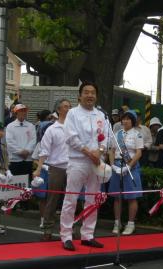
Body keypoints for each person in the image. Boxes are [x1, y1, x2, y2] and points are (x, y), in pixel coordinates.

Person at [60, 82, 108, 251]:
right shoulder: (72, 114)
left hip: (95, 162)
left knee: (92, 199)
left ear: (96, 96)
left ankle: (88, 235)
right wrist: (89, 152)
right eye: (86, 92)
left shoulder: (101, 115)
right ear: (79, 96)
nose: (90, 95)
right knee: (71, 199)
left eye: (93, 92)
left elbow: (105, 139)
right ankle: (66, 235)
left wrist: (100, 152)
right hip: (78, 161)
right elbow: (71, 138)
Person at [33, 98, 71, 241]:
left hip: (72, 168)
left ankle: (69, 229)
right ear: (59, 110)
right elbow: (44, 151)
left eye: (69, 106)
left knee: (71, 200)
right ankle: (48, 229)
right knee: (52, 199)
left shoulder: (74, 127)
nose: (68, 109)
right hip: (56, 168)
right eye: (65, 106)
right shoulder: (51, 129)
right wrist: (38, 169)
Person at [109, 110, 143, 235]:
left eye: (128, 119)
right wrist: (113, 166)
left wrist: (128, 166)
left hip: (131, 166)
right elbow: (112, 151)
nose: (125, 121)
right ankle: (117, 222)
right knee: (117, 197)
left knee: (131, 197)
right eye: (124, 119)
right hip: (117, 166)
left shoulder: (137, 134)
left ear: (133, 121)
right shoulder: (117, 134)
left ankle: (130, 224)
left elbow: (139, 152)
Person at [6, 104, 36, 182]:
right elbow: (9, 142)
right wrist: (20, 152)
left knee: (27, 183)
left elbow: (33, 141)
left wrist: (27, 151)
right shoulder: (10, 126)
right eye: (21, 111)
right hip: (15, 160)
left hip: (28, 159)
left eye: (25, 111)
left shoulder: (31, 126)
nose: (24, 113)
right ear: (16, 113)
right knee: (14, 183)